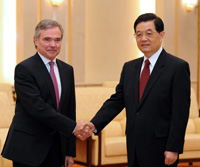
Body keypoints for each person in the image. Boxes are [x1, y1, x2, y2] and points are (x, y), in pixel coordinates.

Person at [87, 13, 191, 167]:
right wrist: (94, 125)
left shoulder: (177, 67)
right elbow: (117, 101)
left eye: (149, 33)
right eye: (139, 34)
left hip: (161, 148)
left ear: (161, 35)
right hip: (134, 145)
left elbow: (180, 112)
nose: (143, 39)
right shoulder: (130, 67)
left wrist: (173, 148)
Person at [1, 19, 91, 167]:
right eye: (47, 39)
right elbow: (37, 108)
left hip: (56, 149)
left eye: (57, 40)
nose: (53, 45)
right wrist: (75, 127)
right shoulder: (24, 69)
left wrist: (69, 151)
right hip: (28, 148)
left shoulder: (67, 70)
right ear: (35, 40)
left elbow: (69, 110)